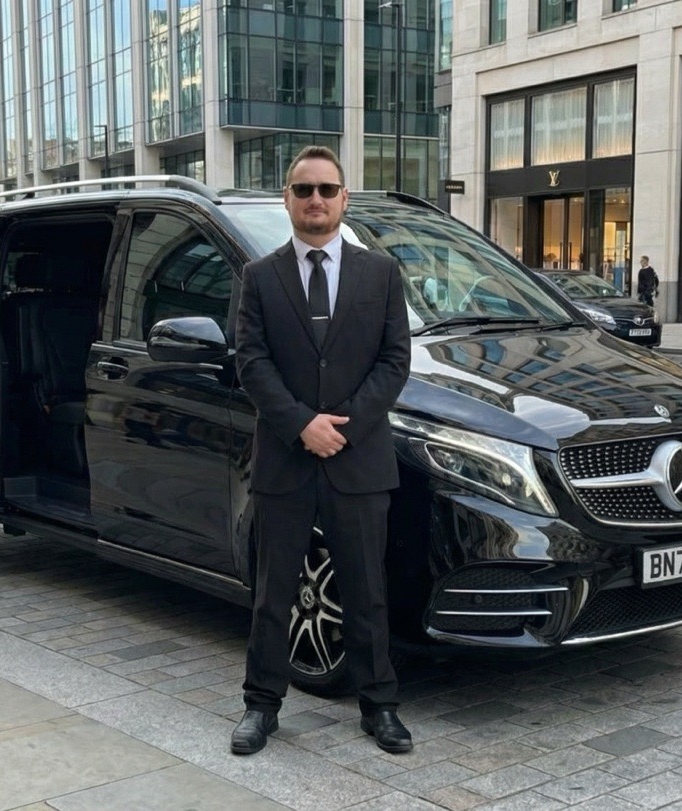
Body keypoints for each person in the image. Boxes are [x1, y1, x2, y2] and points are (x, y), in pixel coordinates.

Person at [232, 145, 412, 756]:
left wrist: (345, 428)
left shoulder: (381, 274)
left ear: (344, 199)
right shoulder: (259, 277)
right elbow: (250, 362)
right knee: (272, 593)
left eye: (327, 190)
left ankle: (379, 706)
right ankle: (261, 707)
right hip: (285, 461)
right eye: (303, 190)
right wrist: (301, 425)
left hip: (358, 462)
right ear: (287, 199)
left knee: (367, 592)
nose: (316, 201)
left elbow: (395, 362)